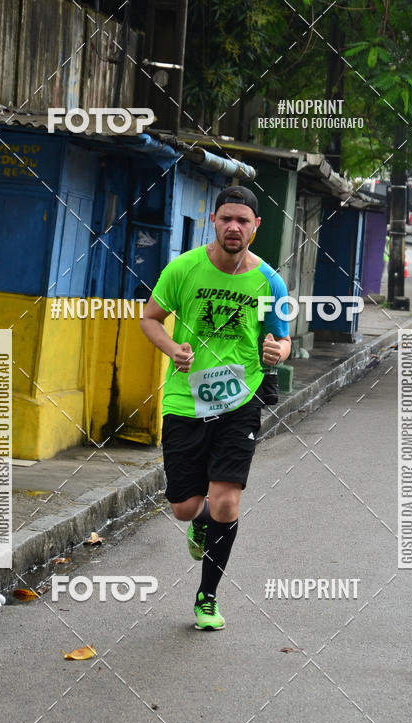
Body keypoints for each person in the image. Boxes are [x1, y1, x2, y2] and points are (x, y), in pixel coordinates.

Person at [139, 185, 291, 630]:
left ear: (256, 226)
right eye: (226, 218)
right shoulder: (183, 269)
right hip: (186, 400)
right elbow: (150, 318)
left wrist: (277, 351)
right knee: (185, 507)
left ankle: (207, 597)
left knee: (226, 502)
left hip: (241, 400)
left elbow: (281, 338)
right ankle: (199, 519)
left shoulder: (270, 281)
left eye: (243, 220)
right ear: (214, 221)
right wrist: (172, 349)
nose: (234, 227)